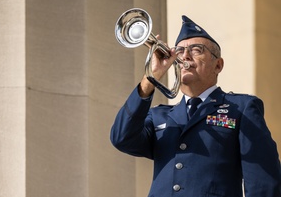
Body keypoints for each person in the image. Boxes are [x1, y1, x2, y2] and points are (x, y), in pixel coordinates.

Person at [110, 15, 281, 197]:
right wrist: (151, 78)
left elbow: (263, 182)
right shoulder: (160, 115)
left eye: (196, 50)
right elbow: (121, 137)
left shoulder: (241, 108)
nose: (184, 56)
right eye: (179, 51)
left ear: (218, 65)